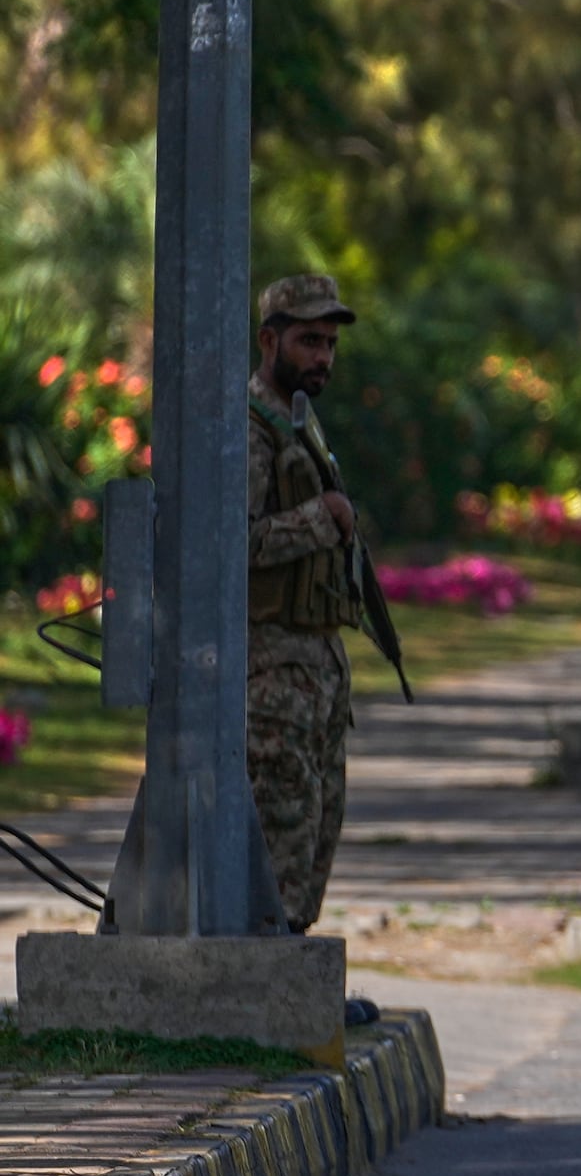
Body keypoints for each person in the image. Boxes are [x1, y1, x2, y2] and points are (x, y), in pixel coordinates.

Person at [246, 273, 368, 934]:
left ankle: (297, 982)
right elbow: (224, 547)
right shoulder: (250, 430)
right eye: (308, 340)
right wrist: (322, 518)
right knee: (281, 842)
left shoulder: (299, 424)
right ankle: (271, 994)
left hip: (316, 669)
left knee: (315, 837)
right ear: (270, 340)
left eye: (330, 343)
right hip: (271, 676)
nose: (323, 356)